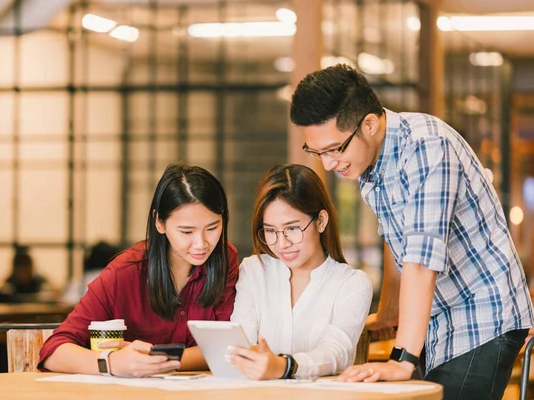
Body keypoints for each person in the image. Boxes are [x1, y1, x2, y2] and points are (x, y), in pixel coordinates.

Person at [289, 64, 534, 399]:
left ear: (370, 125)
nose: (329, 163)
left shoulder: (426, 147)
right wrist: (391, 311)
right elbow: (396, 240)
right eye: (317, 152)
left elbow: (420, 259)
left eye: (335, 149)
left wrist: (403, 358)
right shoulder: (368, 161)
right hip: (438, 318)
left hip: (481, 314)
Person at [39, 163, 239, 378]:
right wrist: (112, 363)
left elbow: (227, 349)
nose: (201, 244)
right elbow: (53, 351)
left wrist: (154, 357)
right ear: (159, 223)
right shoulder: (125, 272)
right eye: (186, 231)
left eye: (212, 228)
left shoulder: (225, 258)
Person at [226, 164, 372, 380]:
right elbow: (239, 347)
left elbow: (336, 353)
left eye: (292, 228)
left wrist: (284, 366)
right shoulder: (255, 270)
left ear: (321, 221)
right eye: (270, 231)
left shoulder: (352, 284)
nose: (282, 243)